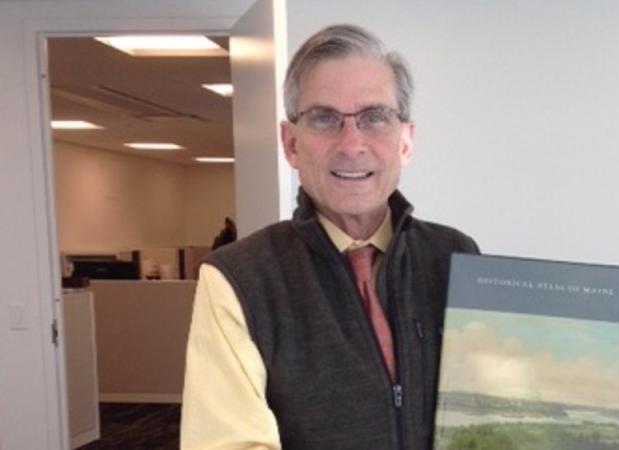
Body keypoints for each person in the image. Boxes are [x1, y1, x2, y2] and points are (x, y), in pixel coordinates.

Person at [180, 24, 478, 450]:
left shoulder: (455, 256)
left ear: (405, 142)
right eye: (324, 118)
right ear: (291, 143)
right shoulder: (238, 278)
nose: (351, 143)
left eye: (374, 117)